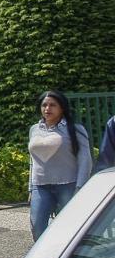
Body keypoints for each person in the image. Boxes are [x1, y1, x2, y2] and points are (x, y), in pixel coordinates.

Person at [28, 90, 92, 240]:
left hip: (68, 185)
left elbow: (85, 159)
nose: (47, 109)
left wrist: (80, 187)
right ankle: (45, 257)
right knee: (37, 227)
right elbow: (32, 160)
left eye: (52, 105)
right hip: (40, 186)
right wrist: (31, 187)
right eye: (44, 105)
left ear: (62, 107)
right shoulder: (34, 129)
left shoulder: (75, 129)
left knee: (70, 227)